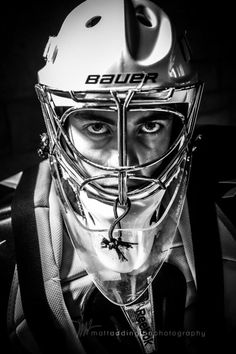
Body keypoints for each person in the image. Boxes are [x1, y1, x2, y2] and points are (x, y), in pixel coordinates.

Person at [0, 0, 236, 353]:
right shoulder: (9, 230)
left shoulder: (228, 205)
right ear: (56, 124)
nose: (123, 159)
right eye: (97, 125)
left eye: (150, 124)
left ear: (180, 126)